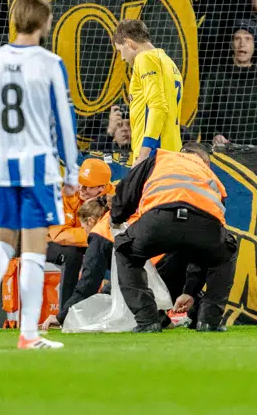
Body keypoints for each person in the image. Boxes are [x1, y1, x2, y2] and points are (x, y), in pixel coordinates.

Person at [0, 0, 81, 350]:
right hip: (38, 167)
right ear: (45, 23)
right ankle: (29, 334)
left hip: (2, 165)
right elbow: (64, 120)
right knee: (34, 251)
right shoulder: (49, 63)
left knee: (2, 242)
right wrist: (72, 170)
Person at [110, 140, 237, 333]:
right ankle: (208, 321)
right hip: (204, 225)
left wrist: (117, 216)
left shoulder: (160, 159)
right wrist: (191, 290)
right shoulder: (210, 175)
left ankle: (148, 320)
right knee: (224, 255)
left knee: (125, 251)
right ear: (204, 161)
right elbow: (212, 238)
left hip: (159, 219)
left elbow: (128, 188)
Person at [111, 18, 183, 163]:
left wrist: (143, 155)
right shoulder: (168, 62)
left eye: (120, 51)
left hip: (154, 155)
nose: (122, 58)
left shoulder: (144, 59)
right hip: (172, 151)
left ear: (129, 43)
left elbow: (158, 107)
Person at [47, 157, 116, 309]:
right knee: (72, 255)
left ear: (102, 187)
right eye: (80, 183)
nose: (81, 189)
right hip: (53, 242)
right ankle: (66, 312)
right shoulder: (66, 194)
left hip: (91, 241)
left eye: (87, 187)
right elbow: (59, 233)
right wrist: (94, 235)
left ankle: (107, 304)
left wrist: (95, 239)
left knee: (116, 254)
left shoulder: (113, 198)